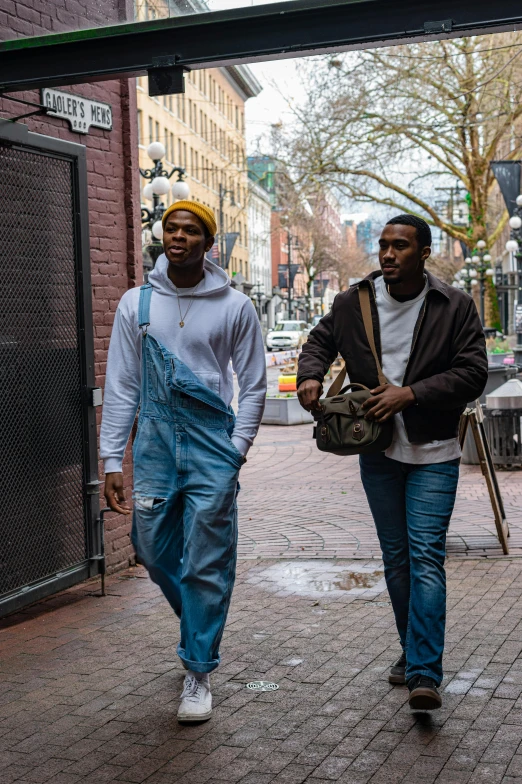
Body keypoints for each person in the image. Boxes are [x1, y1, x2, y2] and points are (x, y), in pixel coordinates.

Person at [297, 215, 487, 710]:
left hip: (435, 452)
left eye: (400, 246)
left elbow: (473, 373)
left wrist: (412, 394)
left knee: (425, 556)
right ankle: (411, 652)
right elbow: (319, 341)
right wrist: (310, 378)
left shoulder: (454, 305)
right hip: (376, 449)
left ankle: (424, 672)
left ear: (424, 252)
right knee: (397, 559)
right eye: (383, 245)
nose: (387, 254)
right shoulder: (354, 302)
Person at [100, 201, 266, 722]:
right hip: (153, 443)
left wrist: (236, 450)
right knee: (149, 547)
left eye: (190, 230)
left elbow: (254, 385)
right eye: (170, 228)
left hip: (212, 443)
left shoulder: (234, 306)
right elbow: (122, 385)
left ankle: (198, 670)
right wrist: (111, 458)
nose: (178, 236)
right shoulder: (137, 303)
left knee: (206, 560)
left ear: (207, 242)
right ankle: (198, 614)